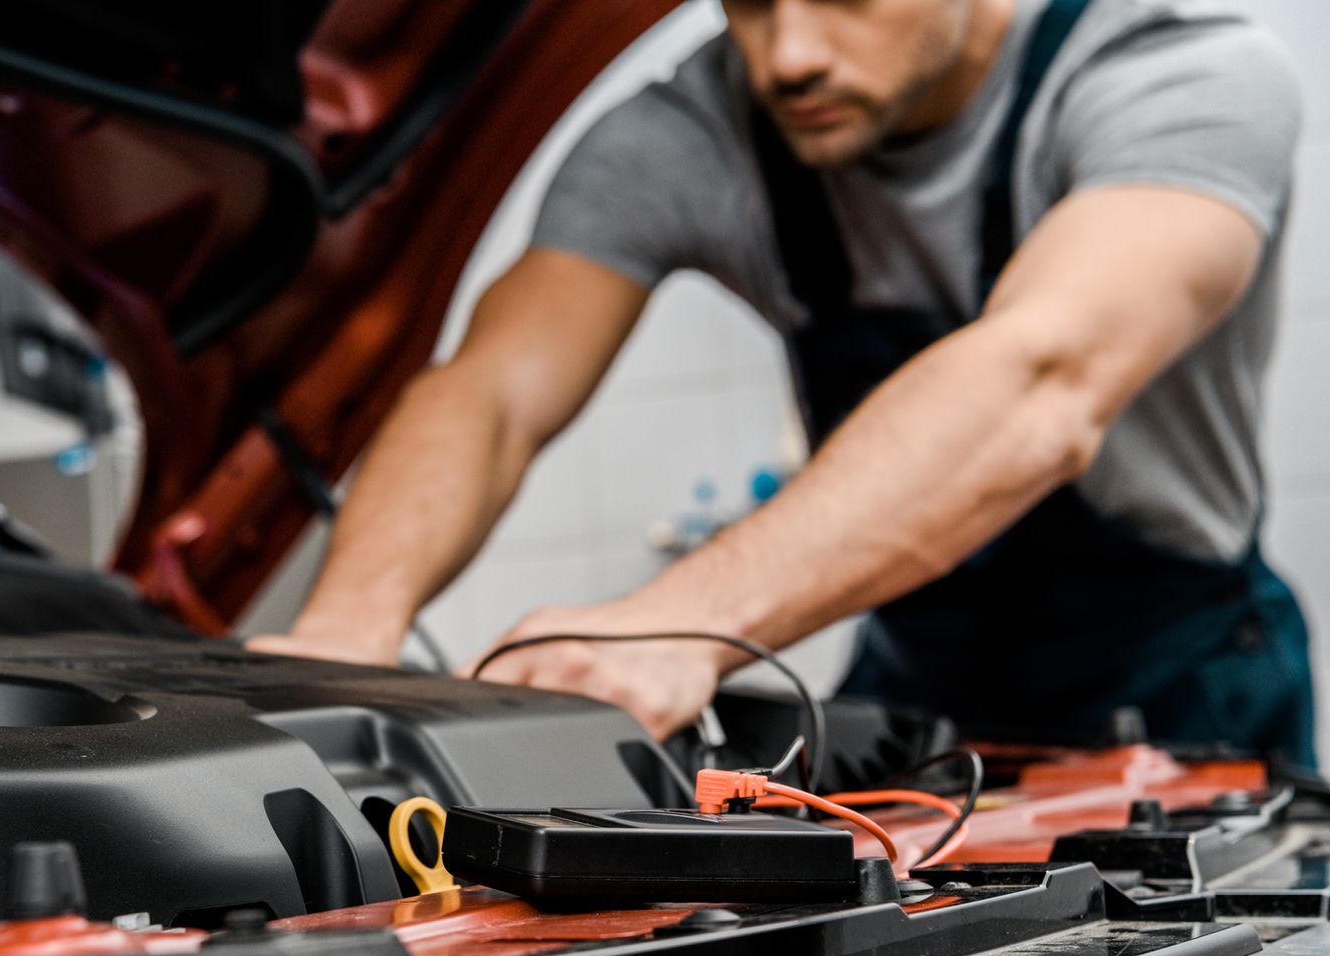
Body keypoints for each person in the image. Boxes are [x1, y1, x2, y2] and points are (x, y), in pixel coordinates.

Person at [252, 0, 1317, 763]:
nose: (789, 54)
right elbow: (490, 391)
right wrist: (352, 628)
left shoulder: (1179, 79)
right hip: (919, 677)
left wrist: (681, 619)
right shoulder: (694, 133)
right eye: (750, 5)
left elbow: (1039, 383)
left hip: (1187, 678)